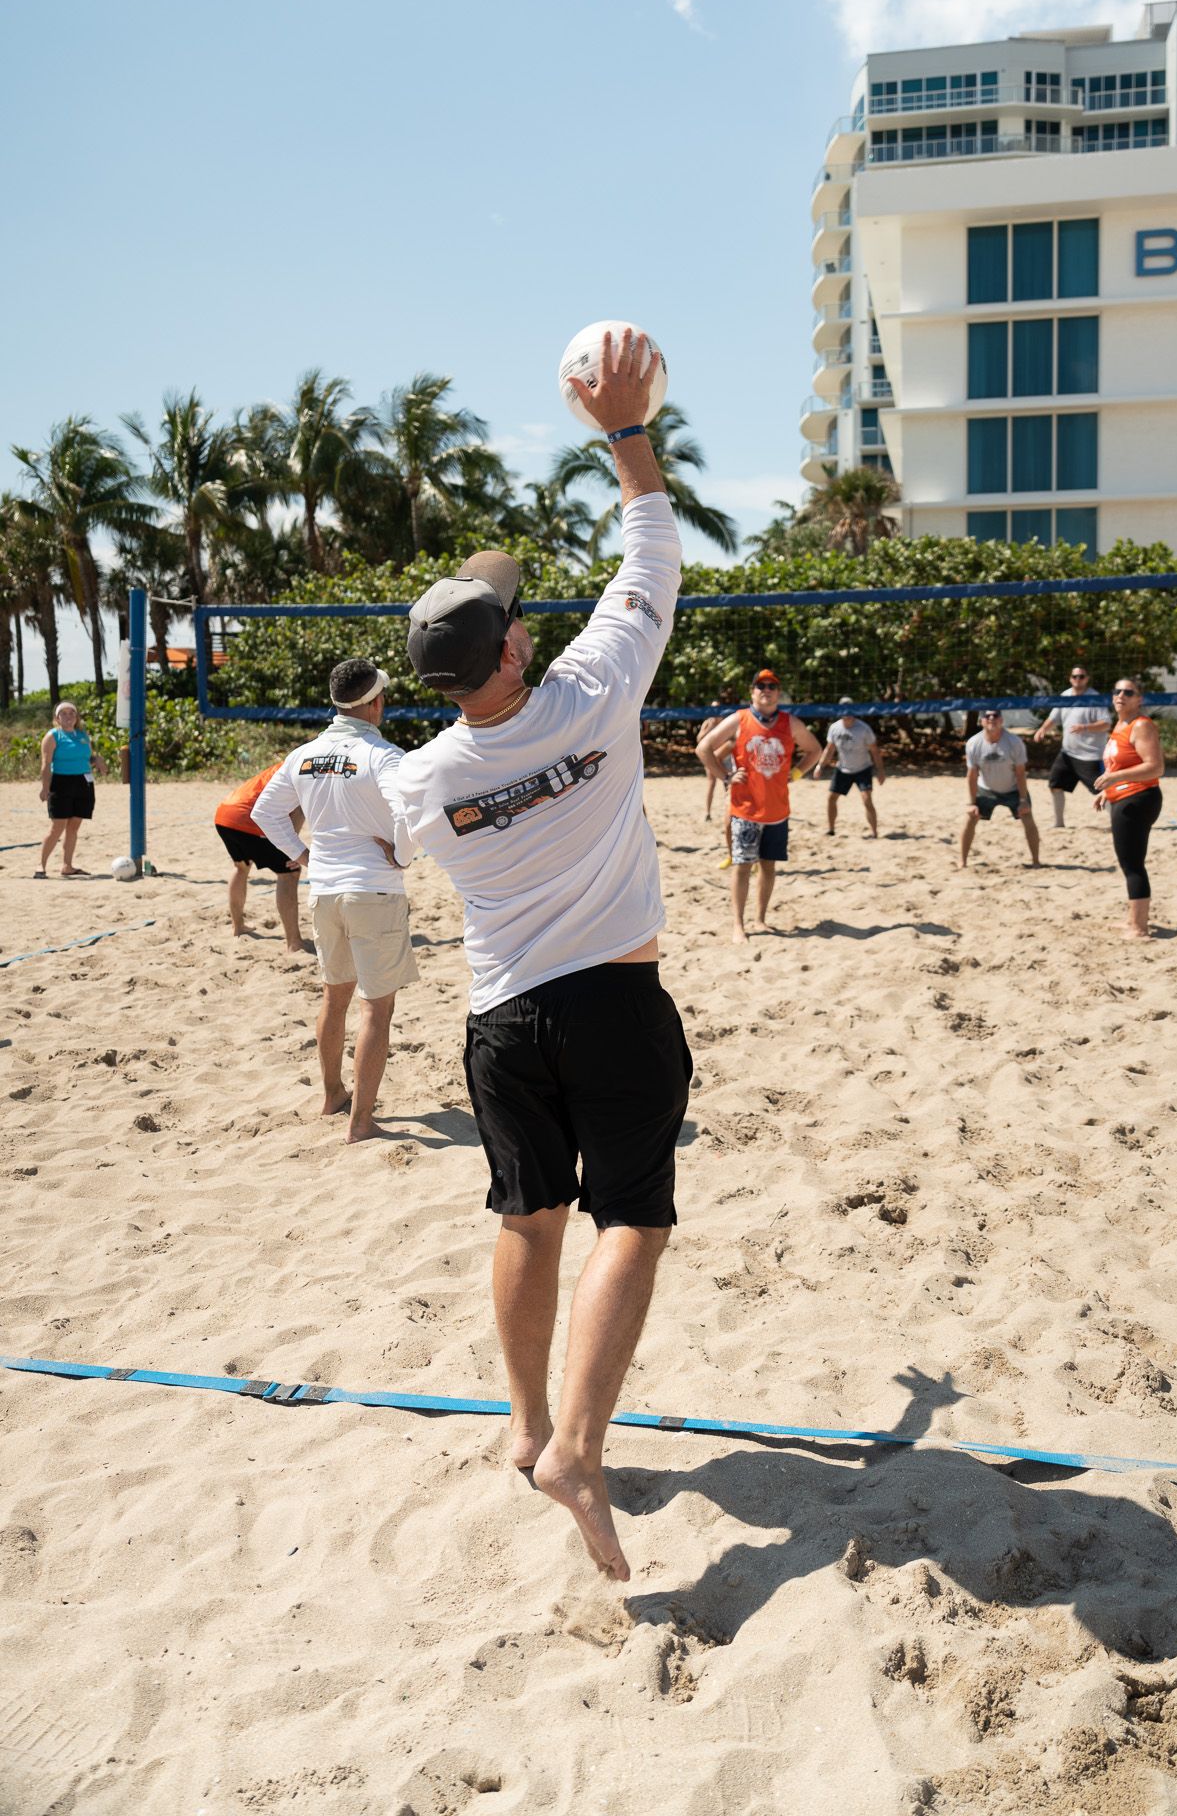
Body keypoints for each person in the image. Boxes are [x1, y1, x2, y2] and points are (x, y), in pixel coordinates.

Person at [386, 330, 689, 1585]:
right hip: (614, 1000)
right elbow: (653, 545)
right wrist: (623, 426)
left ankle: (520, 1428)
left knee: (527, 1215)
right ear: (510, 650)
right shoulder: (597, 692)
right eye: (514, 617)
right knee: (634, 1219)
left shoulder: (416, 783)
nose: (526, 619)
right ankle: (574, 1444)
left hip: (503, 1016)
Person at [252, 659, 417, 1142]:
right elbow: (407, 814)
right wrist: (403, 856)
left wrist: (303, 856)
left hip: (324, 890)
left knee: (335, 997)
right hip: (373, 888)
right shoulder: (384, 755)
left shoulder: (304, 754)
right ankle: (361, 1122)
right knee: (376, 1009)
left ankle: (331, 1094)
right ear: (374, 702)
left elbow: (266, 812)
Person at [695, 670, 822, 942]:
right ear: (752, 691)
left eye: (772, 686)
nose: (766, 689)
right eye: (760, 685)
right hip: (745, 809)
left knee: (768, 866)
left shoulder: (790, 723)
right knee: (742, 865)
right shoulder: (739, 719)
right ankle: (738, 926)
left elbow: (815, 750)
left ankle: (761, 919)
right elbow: (703, 748)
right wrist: (726, 776)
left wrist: (797, 773)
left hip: (777, 811)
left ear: (778, 692)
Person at [1094, 676, 1165, 939]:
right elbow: (1120, 765)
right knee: (1129, 862)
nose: (1121, 695)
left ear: (1139, 699)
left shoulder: (1141, 725)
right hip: (1123, 796)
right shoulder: (1120, 725)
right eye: (1117, 691)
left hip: (1140, 798)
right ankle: (1133, 920)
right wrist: (1107, 790)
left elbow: (1155, 767)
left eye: (1128, 692)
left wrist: (1114, 779)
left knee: (1133, 863)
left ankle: (1139, 928)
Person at [213, 762, 306, 951]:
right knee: (290, 870)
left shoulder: (286, 763)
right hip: (249, 818)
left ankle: (238, 927)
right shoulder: (307, 768)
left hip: (224, 814)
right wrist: (291, 851)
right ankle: (294, 943)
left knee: (241, 866)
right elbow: (298, 812)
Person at [1029, 660, 1112, 826]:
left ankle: (1116, 822)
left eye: (1081, 676)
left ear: (1087, 679)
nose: (1078, 679)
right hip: (1067, 754)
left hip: (1089, 756)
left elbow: (1106, 724)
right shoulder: (1065, 696)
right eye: (1075, 676)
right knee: (1055, 785)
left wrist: (1085, 727)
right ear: (1070, 679)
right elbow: (1054, 717)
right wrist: (1042, 729)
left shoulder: (1094, 699)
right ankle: (1059, 824)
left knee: (1104, 790)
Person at [959, 709, 1042, 870]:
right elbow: (972, 775)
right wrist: (971, 802)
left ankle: (1036, 861)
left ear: (1001, 720)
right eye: (987, 716)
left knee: (1028, 817)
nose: (991, 719)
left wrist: (1023, 800)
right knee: (970, 818)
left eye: (995, 716)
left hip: (1012, 789)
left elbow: (1020, 774)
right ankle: (962, 862)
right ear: (981, 721)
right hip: (986, 789)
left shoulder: (1014, 742)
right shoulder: (974, 743)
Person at [36, 700, 106, 878]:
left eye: (72, 713)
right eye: (64, 713)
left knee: (74, 827)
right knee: (57, 827)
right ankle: (41, 866)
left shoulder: (82, 735)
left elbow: (87, 757)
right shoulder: (53, 736)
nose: (68, 716)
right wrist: (45, 788)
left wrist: (96, 761)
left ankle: (67, 866)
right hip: (61, 783)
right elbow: (46, 764)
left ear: (77, 717)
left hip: (83, 783)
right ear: (57, 718)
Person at [812, 698, 885, 838]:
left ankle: (874, 833)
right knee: (831, 798)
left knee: (867, 800)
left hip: (863, 769)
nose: (848, 713)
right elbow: (829, 749)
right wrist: (820, 766)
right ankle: (831, 830)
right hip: (843, 769)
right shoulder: (835, 728)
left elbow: (875, 751)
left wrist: (880, 771)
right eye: (844, 710)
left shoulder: (864, 729)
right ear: (840, 712)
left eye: (850, 709)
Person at [696, 700, 734, 823]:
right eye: (713, 708)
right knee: (711, 784)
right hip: (711, 758)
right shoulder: (708, 723)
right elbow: (699, 740)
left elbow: (731, 740)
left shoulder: (725, 722)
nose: (715, 711)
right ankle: (707, 812)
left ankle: (730, 810)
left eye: (717, 708)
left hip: (724, 757)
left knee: (729, 784)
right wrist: (709, 728)